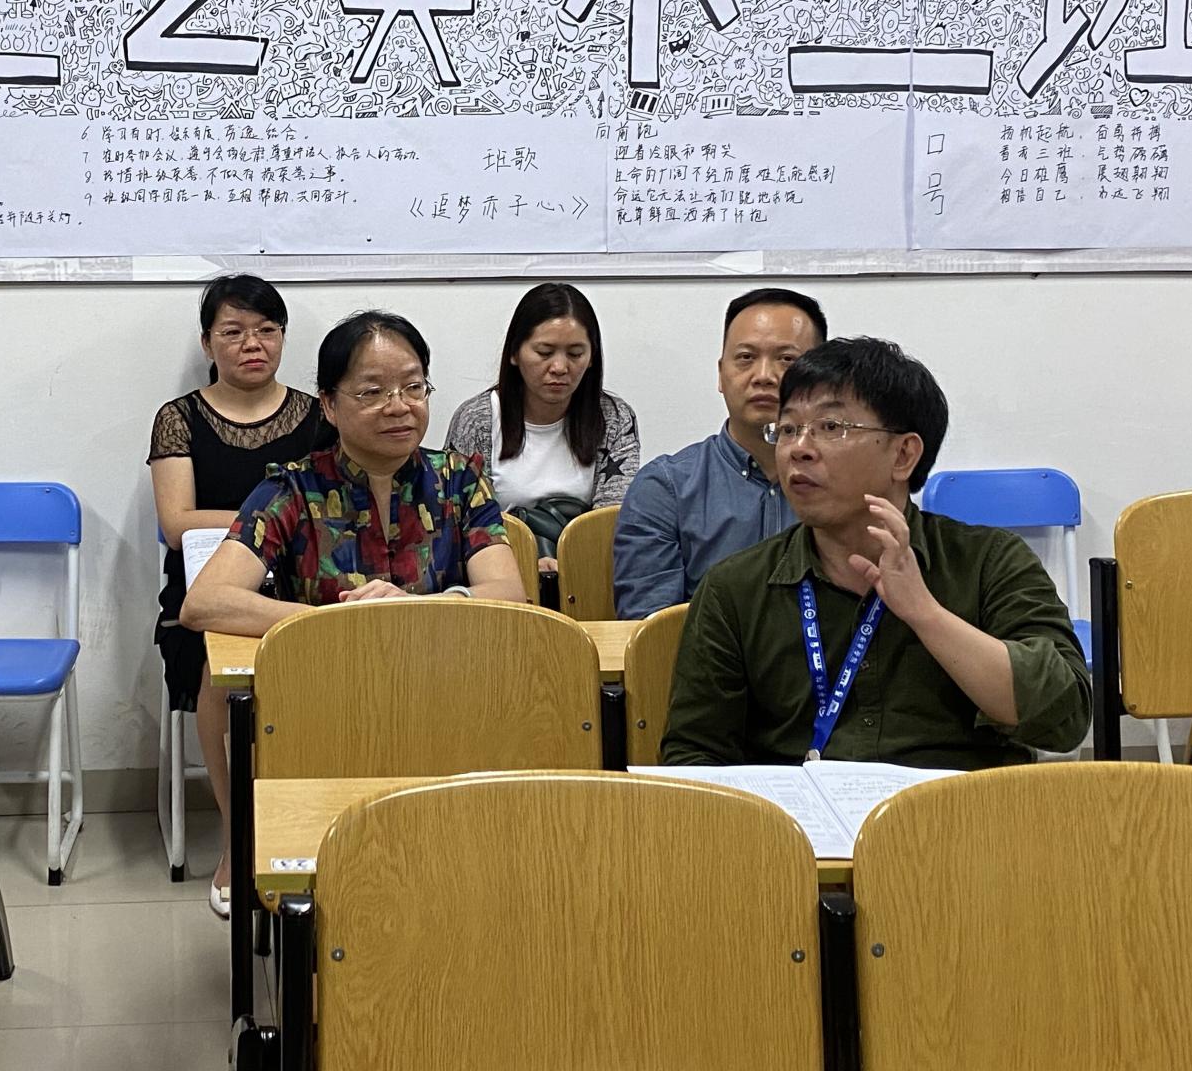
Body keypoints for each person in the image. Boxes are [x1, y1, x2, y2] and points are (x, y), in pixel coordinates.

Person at [661, 336, 1090, 769]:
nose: (798, 448)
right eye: (788, 429)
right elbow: (693, 755)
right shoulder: (736, 588)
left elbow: (1064, 716)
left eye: (831, 426)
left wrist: (924, 612)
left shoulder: (989, 562)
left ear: (903, 455)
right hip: (793, 810)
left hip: (959, 807)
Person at [147, 275, 323, 916]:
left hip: (303, 586)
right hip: (205, 593)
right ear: (207, 343)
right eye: (234, 332)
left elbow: (331, 510)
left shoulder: (319, 416)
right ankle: (237, 835)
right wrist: (273, 519)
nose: (253, 344)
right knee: (221, 674)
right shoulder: (179, 419)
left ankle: (309, 824)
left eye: (267, 330)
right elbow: (177, 522)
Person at [181, 308, 524, 637]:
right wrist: (337, 622)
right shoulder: (293, 489)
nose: (399, 406)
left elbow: (508, 594)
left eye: (413, 387)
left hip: (440, 665)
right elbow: (204, 602)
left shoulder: (460, 479)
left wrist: (418, 608)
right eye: (372, 392)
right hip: (328, 667)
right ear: (329, 405)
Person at [611, 287, 827, 619]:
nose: (764, 376)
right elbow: (650, 629)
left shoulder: (850, 483)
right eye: (746, 358)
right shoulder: (666, 488)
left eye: (787, 360)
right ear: (721, 374)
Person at [444, 282, 639, 569]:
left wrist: (570, 564)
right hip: (500, 572)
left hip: (588, 571)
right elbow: (461, 522)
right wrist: (525, 563)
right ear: (515, 353)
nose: (559, 367)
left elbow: (610, 519)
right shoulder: (476, 419)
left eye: (575, 354)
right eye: (544, 352)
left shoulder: (614, 418)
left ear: (592, 358)